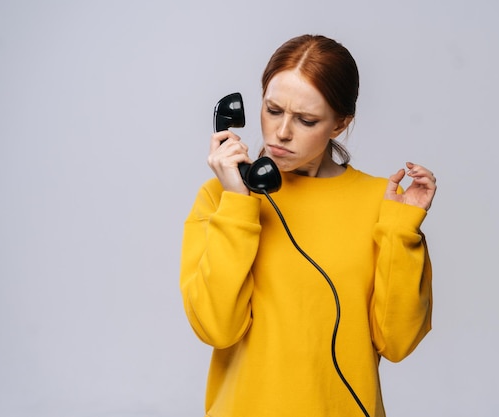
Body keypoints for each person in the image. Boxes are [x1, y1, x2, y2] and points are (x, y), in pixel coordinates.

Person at [180, 34, 437, 417]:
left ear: (340, 123)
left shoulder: (382, 204)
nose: (282, 132)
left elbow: (397, 342)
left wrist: (402, 229)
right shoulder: (221, 198)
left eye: (306, 120)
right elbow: (216, 329)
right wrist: (237, 204)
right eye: (272, 110)